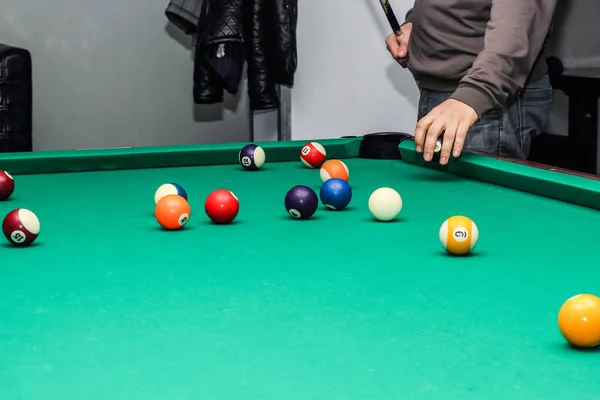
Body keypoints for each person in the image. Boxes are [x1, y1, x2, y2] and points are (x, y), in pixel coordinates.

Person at [386, 1, 558, 165]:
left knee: (478, 194)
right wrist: (414, 23)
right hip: (454, 96)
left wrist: (474, 95)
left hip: (482, 101)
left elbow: (517, 28)